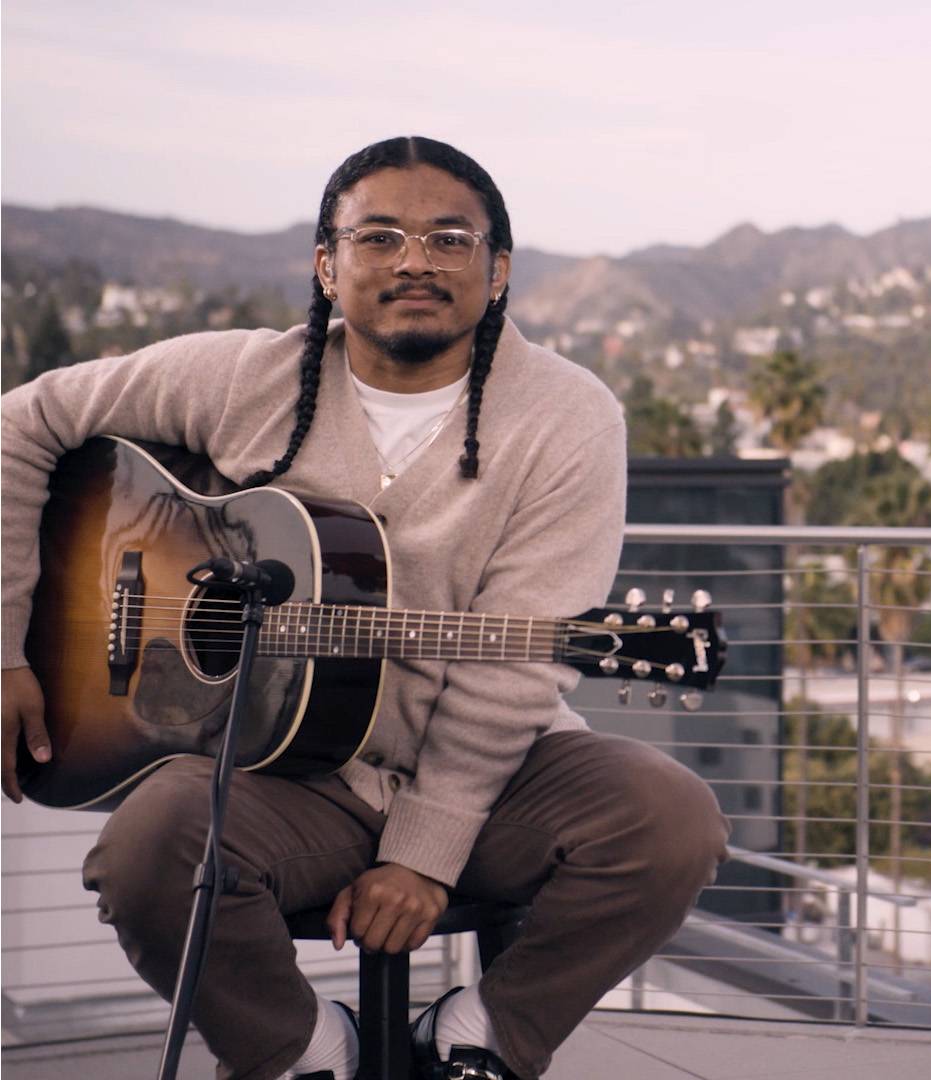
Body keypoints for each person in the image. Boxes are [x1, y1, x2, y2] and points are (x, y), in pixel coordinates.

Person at [0, 136, 731, 1080]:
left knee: (670, 818)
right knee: (146, 854)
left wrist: (425, 854)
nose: (414, 261)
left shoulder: (567, 415)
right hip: (276, 773)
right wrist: (8, 646)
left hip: (489, 770)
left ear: (498, 271)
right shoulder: (245, 376)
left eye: (450, 239)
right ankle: (306, 1051)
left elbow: (515, 672)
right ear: (326, 266)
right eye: (378, 236)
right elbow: (21, 424)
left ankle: (482, 1035)